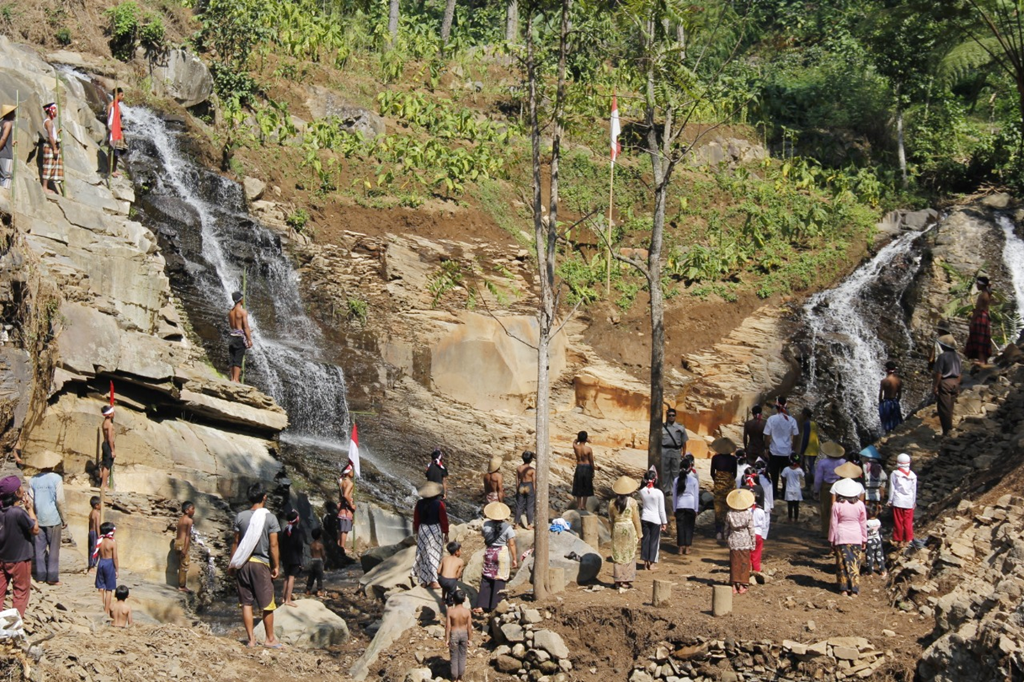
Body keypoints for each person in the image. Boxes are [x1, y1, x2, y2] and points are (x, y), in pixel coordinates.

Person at [228, 482, 282, 649]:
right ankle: (270, 639)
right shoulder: (270, 518)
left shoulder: (240, 516)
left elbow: (235, 542)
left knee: (246, 603)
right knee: (267, 604)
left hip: (242, 564)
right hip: (260, 564)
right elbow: (273, 545)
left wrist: (232, 563)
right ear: (264, 497)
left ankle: (251, 640)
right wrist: (276, 565)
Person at [0, 476, 38, 616]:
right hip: (20, 559)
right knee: (20, 593)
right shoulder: (18, 513)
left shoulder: (2, 511)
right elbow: (35, 529)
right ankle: (14, 628)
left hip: (3, 558)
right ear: (16, 493)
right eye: (21, 487)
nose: (23, 489)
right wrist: (30, 509)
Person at [30, 450, 66, 586]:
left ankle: (40, 576)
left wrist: (33, 518)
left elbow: (31, 501)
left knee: (39, 550)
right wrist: (64, 518)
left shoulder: (33, 480)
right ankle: (52, 577)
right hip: (53, 518)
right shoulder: (56, 478)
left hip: (39, 518)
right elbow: (60, 500)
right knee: (54, 550)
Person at [475, 502, 517, 612]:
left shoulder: (486, 525)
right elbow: (511, 544)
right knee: (500, 578)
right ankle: (495, 605)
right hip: (502, 553)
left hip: (489, 552)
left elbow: (484, 536)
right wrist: (515, 558)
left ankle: (481, 605)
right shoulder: (508, 528)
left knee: (486, 577)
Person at [829, 478, 867, 597]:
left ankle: (843, 588)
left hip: (842, 535)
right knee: (855, 563)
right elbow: (863, 522)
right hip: (856, 535)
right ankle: (854, 589)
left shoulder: (837, 505)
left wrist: (831, 539)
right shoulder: (860, 505)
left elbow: (833, 523)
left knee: (842, 562)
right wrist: (864, 538)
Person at [413, 482, 448, 590]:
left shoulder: (419, 503)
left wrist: (416, 531)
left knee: (423, 553)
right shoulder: (439, 504)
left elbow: (416, 519)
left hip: (423, 529)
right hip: (434, 529)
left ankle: (423, 579)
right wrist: (446, 532)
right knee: (434, 554)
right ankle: (433, 580)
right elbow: (443, 519)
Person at [608, 476, 642, 591]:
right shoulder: (632, 502)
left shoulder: (612, 502)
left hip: (617, 528)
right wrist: (639, 533)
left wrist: (611, 531)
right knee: (629, 552)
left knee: (618, 554)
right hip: (628, 528)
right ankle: (626, 580)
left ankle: (618, 580)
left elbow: (611, 519)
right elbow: (636, 519)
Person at [763, 397, 800, 499]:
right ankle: (784, 493)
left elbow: (767, 435)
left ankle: (774, 493)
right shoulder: (792, 420)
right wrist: (794, 448)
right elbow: (796, 435)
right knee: (785, 475)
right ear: (786, 406)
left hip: (774, 451)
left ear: (776, 406)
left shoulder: (771, 419)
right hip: (787, 452)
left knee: (774, 474)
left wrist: (766, 448)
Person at [724, 488, 756, 595]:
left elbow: (726, 528)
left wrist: (726, 538)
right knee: (744, 562)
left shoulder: (730, 514)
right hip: (745, 540)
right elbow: (751, 529)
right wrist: (753, 542)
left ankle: (734, 584)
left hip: (734, 539)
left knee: (734, 562)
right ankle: (743, 583)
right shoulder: (748, 514)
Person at [813, 442, 847, 539]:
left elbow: (818, 478)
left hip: (826, 486)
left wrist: (816, 490)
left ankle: (826, 532)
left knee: (826, 509)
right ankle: (837, 531)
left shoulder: (822, 463)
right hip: (840, 486)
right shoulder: (843, 462)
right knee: (839, 509)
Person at [709, 438, 738, 542]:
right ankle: (728, 531)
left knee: (718, 508)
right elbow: (735, 474)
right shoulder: (733, 459)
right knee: (729, 507)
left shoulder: (715, 458)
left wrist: (717, 480)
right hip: (729, 485)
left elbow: (712, 472)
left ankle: (718, 531)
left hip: (718, 485)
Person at [638, 469, 667, 571]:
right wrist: (664, 522)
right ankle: (652, 563)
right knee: (654, 541)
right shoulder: (659, 493)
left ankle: (645, 562)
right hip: (655, 519)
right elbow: (661, 509)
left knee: (645, 540)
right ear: (655, 479)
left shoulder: (642, 491)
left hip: (645, 517)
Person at [934, 334, 962, 437]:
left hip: (945, 382)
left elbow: (939, 373)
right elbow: (959, 373)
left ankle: (947, 432)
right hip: (955, 382)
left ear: (944, 346)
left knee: (944, 409)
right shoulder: (957, 356)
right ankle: (949, 429)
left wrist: (935, 386)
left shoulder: (942, 356)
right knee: (950, 407)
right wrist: (958, 385)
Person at [888, 453, 918, 549]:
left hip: (898, 500)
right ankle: (908, 539)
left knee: (898, 521)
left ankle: (898, 540)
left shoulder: (895, 474)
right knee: (908, 522)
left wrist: (890, 500)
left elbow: (892, 488)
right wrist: (913, 502)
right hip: (909, 501)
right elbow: (914, 490)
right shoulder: (913, 475)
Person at [672, 454, 699, 555]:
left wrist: (674, 508)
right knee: (689, 527)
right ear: (689, 468)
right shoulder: (693, 480)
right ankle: (687, 548)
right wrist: (696, 509)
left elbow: (674, 496)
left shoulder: (676, 480)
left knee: (680, 527)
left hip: (679, 505)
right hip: (690, 505)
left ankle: (680, 547)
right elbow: (696, 496)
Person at [445, 588, 472, 682]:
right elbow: (469, 627)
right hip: (464, 634)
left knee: (454, 656)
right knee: (462, 655)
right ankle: (460, 677)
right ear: (464, 600)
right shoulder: (467, 612)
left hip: (454, 634)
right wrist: (470, 639)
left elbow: (448, 627)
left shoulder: (451, 612)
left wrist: (447, 639)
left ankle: (454, 677)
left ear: (453, 599)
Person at [965, 276, 993, 362]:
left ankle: (981, 361)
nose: (977, 285)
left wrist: (972, 321)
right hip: (985, 318)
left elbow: (978, 309)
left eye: (977, 284)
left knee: (979, 340)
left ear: (981, 285)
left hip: (980, 318)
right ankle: (984, 360)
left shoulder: (982, 295)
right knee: (984, 340)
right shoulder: (987, 293)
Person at [279, 510, 304, 607]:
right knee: (291, 578)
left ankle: (283, 598)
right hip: (294, 558)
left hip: (285, 557)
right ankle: (288, 600)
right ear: (297, 519)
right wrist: (301, 562)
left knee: (286, 577)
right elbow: (299, 547)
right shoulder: (297, 532)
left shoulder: (285, 530)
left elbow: (282, 544)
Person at [661, 408, 687, 496]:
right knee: (665, 470)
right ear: (667, 416)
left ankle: (673, 489)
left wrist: (684, 452)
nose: (671, 417)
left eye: (673, 415)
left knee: (675, 471)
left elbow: (684, 441)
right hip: (665, 450)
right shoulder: (662, 427)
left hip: (676, 450)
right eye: (669, 415)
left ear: (675, 416)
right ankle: (665, 489)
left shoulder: (680, 427)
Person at [228, 291, 253, 383]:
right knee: (238, 357)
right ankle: (236, 379)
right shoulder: (243, 312)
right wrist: (249, 339)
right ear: (240, 300)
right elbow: (246, 326)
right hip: (239, 338)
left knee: (232, 357)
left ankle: (232, 379)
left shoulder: (230, 312)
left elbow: (232, 326)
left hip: (232, 336)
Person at [94, 522, 118, 615]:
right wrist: (117, 570)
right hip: (109, 563)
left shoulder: (100, 541)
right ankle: (106, 610)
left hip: (101, 562)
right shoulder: (112, 543)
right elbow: (115, 557)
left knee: (101, 587)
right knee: (109, 589)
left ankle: (100, 607)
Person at [40, 102, 62, 195]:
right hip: (49, 146)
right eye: (55, 110)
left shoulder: (49, 122)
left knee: (51, 166)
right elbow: (50, 137)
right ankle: (44, 187)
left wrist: (56, 133)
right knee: (48, 166)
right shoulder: (48, 123)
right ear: (51, 111)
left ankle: (47, 185)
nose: (57, 112)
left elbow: (52, 135)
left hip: (50, 145)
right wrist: (54, 148)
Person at [571, 432, 596, 510]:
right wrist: (593, 470)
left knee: (578, 485)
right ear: (586, 438)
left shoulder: (576, 447)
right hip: (587, 466)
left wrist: (579, 439)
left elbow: (574, 442)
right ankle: (583, 505)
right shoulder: (588, 449)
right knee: (586, 486)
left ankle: (579, 505)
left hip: (579, 466)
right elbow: (591, 461)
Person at [175, 501, 195, 593]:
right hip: (183, 543)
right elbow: (187, 536)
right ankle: (182, 586)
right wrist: (185, 549)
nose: (194, 511)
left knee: (180, 563)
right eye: (192, 509)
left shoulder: (181, 519)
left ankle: (181, 584)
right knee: (184, 564)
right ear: (187, 510)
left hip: (177, 542)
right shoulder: (189, 520)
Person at [106, 88, 127, 177]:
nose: (123, 97)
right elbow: (109, 118)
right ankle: (110, 170)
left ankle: (114, 169)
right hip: (114, 130)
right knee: (112, 150)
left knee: (117, 150)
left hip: (119, 130)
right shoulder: (112, 105)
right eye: (122, 95)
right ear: (117, 95)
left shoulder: (118, 106)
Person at [798, 407, 819, 491]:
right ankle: (814, 486)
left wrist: (802, 451)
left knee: (807, 469)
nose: (802, 416)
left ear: (806, 415)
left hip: (808, 449)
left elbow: (806, 438)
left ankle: (809, 486)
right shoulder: (814, 423)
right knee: (812, 467)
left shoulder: (806, 424)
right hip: (815, 448)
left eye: (802, 414)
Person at [879, 360, 904, 433]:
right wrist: (897, 401)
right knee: (896, 420)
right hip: (894, 401)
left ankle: (887, 435)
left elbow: (881, 394)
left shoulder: (884, 381)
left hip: (886, 402)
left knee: (886, 421)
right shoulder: (898, 381)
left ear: (886, 370)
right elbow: (899, 394)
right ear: (894, 369)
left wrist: (880, 402)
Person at [861, 449, 887, 516]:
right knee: (874, 514)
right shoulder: (880, 468)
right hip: (876, 496)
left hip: (865, 495)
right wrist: (881, 500)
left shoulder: (864, 467)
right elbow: (882, 487)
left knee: (865, 513)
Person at [513, 451, 536, 529]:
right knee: (529, 506)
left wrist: (517, 488)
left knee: (519, 505)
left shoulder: (519, 468)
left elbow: (517, 480)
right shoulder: (532, 470)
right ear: (530, 460)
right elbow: (534, 482)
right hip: (529, 485)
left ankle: (516, 523)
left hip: (521, 485)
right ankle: (529, 524)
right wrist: (534, 490)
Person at [337, 461, 355, 558]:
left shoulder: (341, 482)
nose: (353, 472)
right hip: (347, 507)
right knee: (345, 529)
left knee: (340, 529)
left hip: (341, 507)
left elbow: (341, 495)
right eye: (352, 470)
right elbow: (345, 495)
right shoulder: (349, 483)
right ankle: (342, 547)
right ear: (348, 472)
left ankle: (339, 545)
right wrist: (351, 505)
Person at [781, 456, 804, 522]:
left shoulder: (786, 469)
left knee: (790, 505)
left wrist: (785, 484)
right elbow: (803, 476)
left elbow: (782, 476)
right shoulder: (799, 470)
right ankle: (796, 519)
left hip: (789, 489)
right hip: (797, 489)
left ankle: (789, 518)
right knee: (796, 505)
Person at [864, 509, 887, 578]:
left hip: (870, 541)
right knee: (880, 556)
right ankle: (882, 570)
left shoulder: (866, 523)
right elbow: (880, 531)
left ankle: (870, 571)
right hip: (878, 540)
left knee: (870, 557)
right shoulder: (878, 521)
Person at [750, 488, 768, 574]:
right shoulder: (761, 511)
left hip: (748, 534)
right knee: (757, 553)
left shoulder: (746, 511)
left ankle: (746, 570)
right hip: (758, 533)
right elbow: (764, 525)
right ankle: (756, 569)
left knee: (747, 553)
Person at [305, 528, 325, 597]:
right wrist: (324, 560)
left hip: (312, 561)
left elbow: (311, 553)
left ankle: (308, 589)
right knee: (319, 576)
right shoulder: (320, 545)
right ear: (320, 536)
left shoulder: (311, 545)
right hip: (319, 561)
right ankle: (319, 590)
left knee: (311, 576)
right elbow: (323, 554)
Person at [320, 500, 341, 568]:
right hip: (329, 535)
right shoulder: (328, 517)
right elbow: (328, 526)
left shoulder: (330, 516)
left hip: (331, 534)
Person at [0, 103, 16, 190]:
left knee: (1, 176)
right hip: (6, 154)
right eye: (13, 112)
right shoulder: (8, 124)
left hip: (1, 154)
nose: (15, 115)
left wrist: (10, 142)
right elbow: (3, 138)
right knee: (7, 177)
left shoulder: (1, 123)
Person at [100, 405, 116, 491]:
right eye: (113, 412)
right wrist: (113, 450)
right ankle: (104, 485)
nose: (114, 414)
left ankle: (103, 483)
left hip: (104, 444)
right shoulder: (109, 424)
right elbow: (110, 437)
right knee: (107, 465)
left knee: (104, 464)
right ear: (109, 414)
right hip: (108, 445)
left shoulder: (104, 422)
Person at [88, 496, 101, 573]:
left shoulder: (91, 513)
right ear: (96, 505)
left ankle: (90, 565)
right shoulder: (97, 514)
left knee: (91, 549)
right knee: (95, 549)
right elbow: (97, 526)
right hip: (95, 533)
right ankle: (92, 566)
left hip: (90, 532)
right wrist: (99, 536)